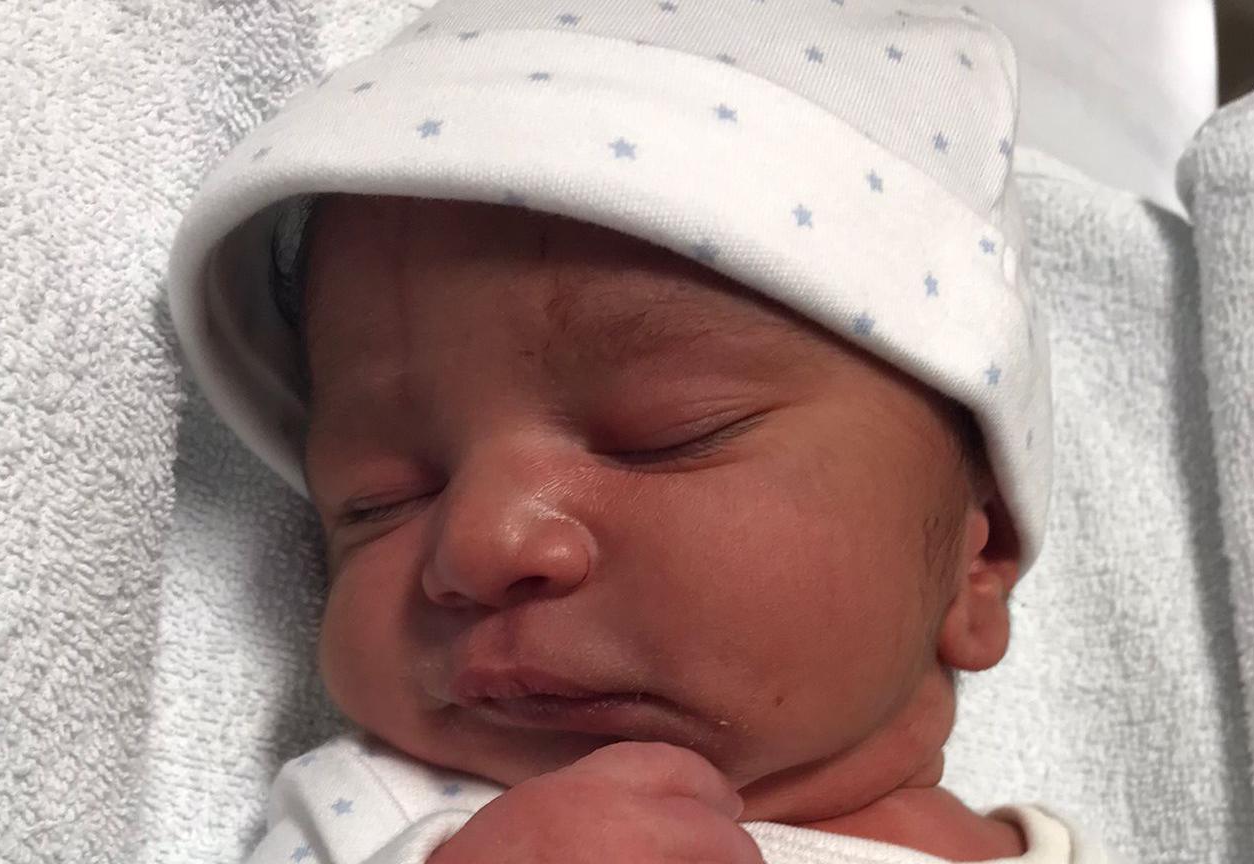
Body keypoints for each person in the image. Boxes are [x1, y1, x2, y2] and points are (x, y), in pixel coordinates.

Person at [167, 1, 1101, 861]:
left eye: (662, 436)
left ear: (976, 566)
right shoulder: (385, 816)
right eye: (379, 499)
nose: (482, 543)